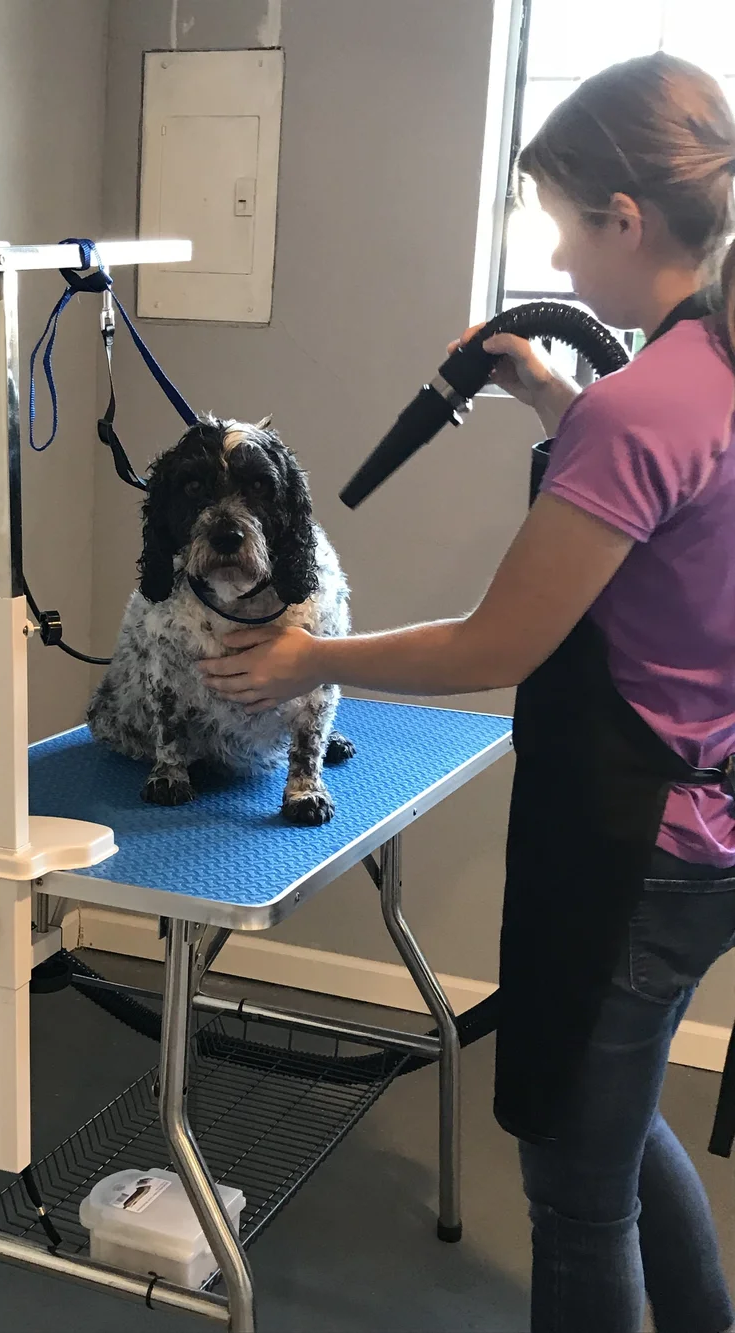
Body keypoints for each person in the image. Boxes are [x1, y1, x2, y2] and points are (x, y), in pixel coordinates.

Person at [199, 52, 735, 1333]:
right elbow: (673, 540)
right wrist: (552, 394)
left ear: (624, 219)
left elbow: (498, 645)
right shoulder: (706, 368)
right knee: (615, 1121)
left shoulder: (644, 410)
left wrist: (308, 658)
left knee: (572, 1184)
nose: (555, 253)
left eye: (559, 220)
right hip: (708, 825)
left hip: (625, 849)